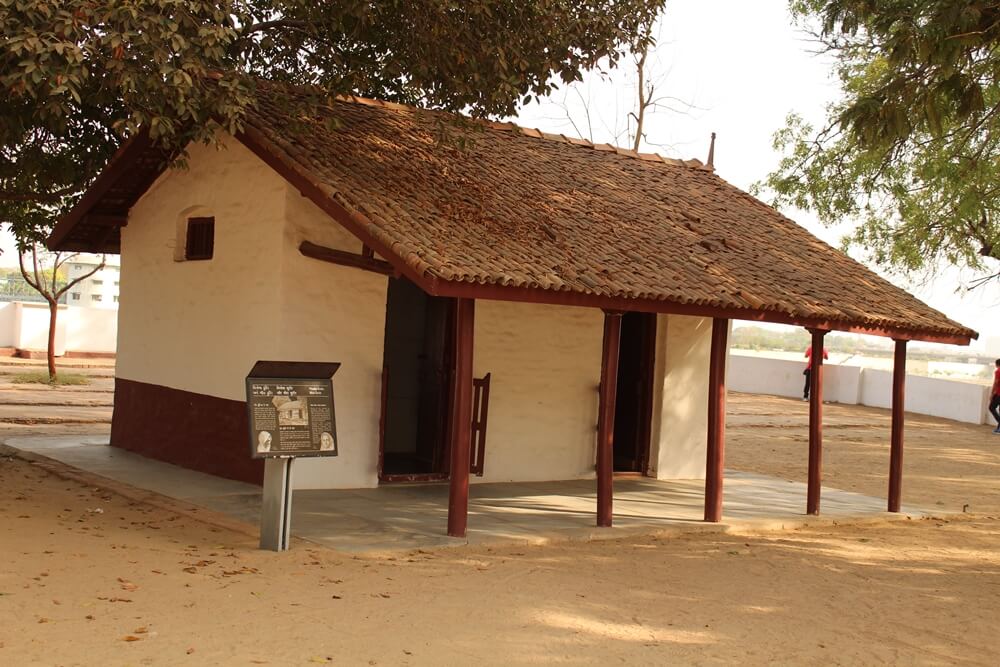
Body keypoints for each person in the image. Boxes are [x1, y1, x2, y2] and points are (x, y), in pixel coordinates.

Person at [990, 359, 1000, 434]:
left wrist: (992, 393)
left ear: (996, 364)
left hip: (999, 394)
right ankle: (999, 428)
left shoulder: (998, 371)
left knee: (991, 407)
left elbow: (996, 383)